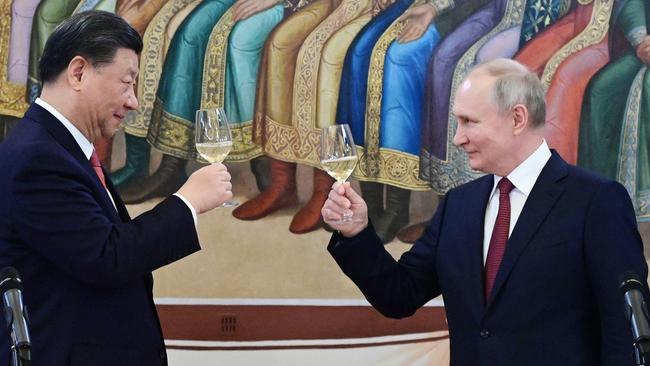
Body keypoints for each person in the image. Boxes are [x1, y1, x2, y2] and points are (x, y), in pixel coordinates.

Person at [322, 58, 649, 365]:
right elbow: (398, 295)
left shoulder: (596, 201)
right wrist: (357, 232)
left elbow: (623, 329)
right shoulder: (458, 206)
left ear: (517, 119)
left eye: (468, 122)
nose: (457, 138)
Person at [0, 11, 233, 365]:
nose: (133, 101)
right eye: (127, 82)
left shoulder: (60, 147)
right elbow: (107, 257)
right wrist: (187, 202)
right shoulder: (37, 157)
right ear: (78, 72)